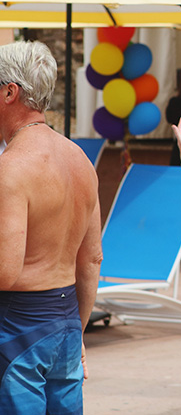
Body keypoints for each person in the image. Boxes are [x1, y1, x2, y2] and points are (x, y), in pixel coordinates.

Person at [0, 41, 102, 415]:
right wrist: (77, 329)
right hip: (65, 321)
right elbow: (92, 260)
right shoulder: (79, 160)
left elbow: (6, 271)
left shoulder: (11, 168)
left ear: (10, 92)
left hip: (17, 325)